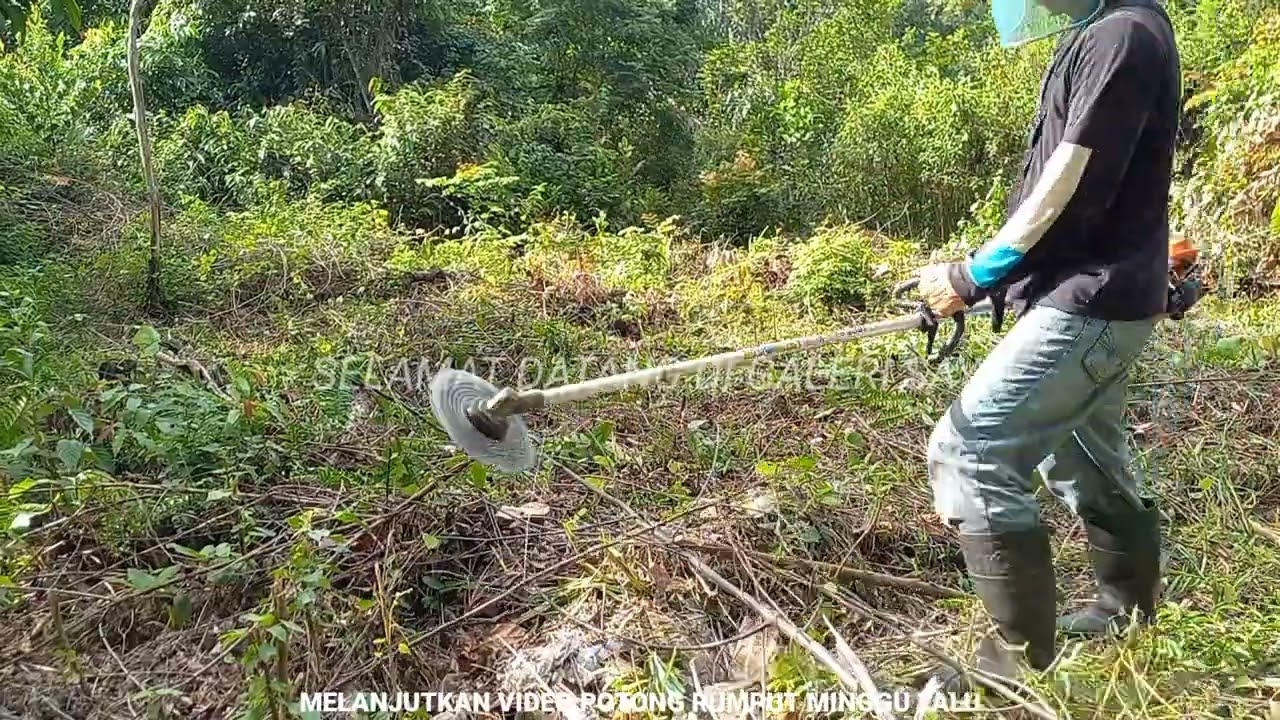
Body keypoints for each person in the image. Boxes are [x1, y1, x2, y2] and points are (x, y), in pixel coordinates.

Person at [914, 0, 1182, 687]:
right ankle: (1127, 609)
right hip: (1100, 294)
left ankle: (1013, 667)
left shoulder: (1122, 36)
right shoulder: (1114, 30)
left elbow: (1069, 182)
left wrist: (975, 275)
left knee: (969, 448)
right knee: (1085, 452)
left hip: (1090, 300)